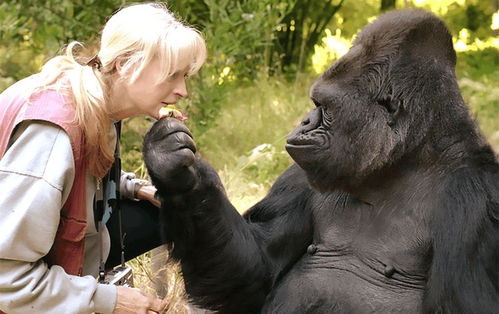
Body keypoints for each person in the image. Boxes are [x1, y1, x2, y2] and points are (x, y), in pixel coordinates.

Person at [0, 2, 206, 313]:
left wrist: (133, 188)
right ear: (125, 63)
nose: (183, 90)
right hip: (13, 280)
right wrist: (109, 300)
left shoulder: (96, 99)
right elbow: (6, 278)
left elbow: (73, 176)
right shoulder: (52, 134)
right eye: (172, 75)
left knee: (180, 211)